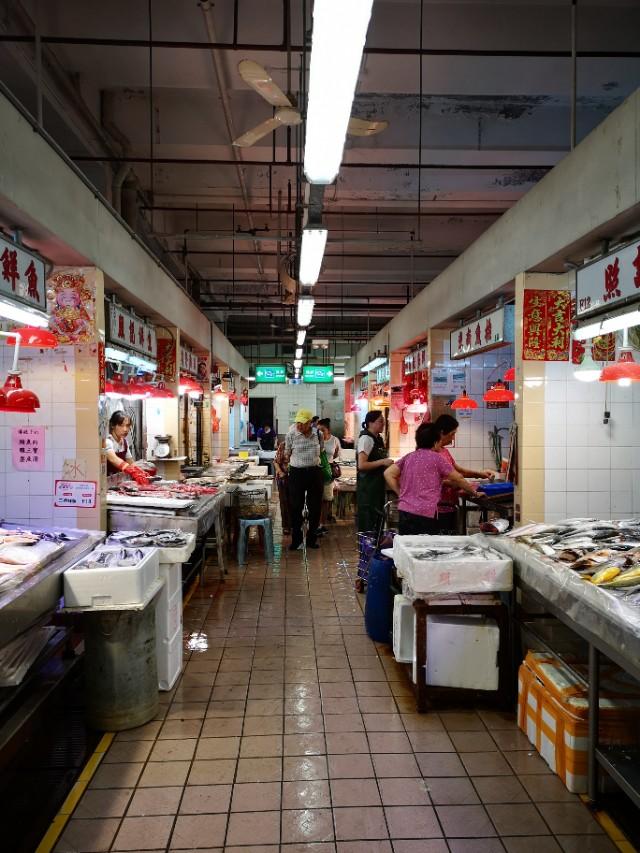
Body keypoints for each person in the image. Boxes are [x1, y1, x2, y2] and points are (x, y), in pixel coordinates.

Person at [384, 422, 478, 535]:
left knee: (408, 546)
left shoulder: (409, 457)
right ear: (435, 442)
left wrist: (400, 493)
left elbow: (388, 473)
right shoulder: (437, 458)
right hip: (426, 514)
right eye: (439, 441)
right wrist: (474, 493)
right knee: (425, 548)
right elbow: (458, 478)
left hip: (405, 512)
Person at [432, 414, 495, 533]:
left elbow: (459, 471)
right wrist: (455, 484)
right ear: (441, 432)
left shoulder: (444, 451)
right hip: (438, 509)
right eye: (452, 434)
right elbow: (433, 479)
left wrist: (481, 474)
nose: (453, 438)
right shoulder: (431, 452)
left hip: (451, 506)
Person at [284, 409, 325, 551]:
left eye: (302, 423)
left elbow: (322, 450)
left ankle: (312, 539)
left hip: (314, 473)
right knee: (296, 507)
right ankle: (296, 540)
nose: (299, 425)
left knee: (315, 508)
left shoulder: (318, 434)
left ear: (309, 423)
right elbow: (287, 453)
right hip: (296, 473)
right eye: (297, 422)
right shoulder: (291, 435)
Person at [356, 411, 394, 533]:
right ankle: (366, 551)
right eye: (380, 421)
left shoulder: (378, 439)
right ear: (370, 423)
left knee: (377, 523)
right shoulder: (366, 439)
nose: (383, 424)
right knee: (368, 524)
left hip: (376, 487)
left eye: (383, 421)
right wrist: (382, 462)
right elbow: (361, 465)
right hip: (368, 489)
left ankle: (374, 550)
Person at [105, 411, 149, 484]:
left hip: (117, 483)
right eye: (121, 425)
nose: (125, 429)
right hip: (106, 483)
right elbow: (113, 459)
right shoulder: (107, 441)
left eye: (128, 426)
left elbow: (131, 462)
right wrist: (132, 471)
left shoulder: (124, 443)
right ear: (113, 425)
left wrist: (140, 472)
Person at [317, 418, 340, 533]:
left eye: (323, 430)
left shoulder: (334, 440)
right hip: (316, 471)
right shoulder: (315, 440)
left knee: (326, 499)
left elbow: (336, 454)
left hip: (328, 472)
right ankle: (315, 523)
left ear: (328, 430)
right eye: (318, 430)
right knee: (316, 499)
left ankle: (322, 523)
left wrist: (329, 462)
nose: (320, 432)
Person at [273, 438, 291, 534]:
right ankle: (286, 526)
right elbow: (275, 462)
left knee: (295, 501)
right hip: (283, 477)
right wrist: (280, 472)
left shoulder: (300, 445)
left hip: (296, 478)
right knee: (284, 501)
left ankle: (295, 524)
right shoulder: (283, 445)